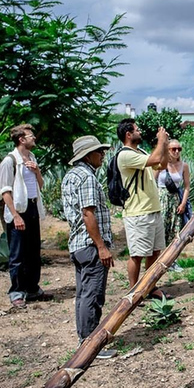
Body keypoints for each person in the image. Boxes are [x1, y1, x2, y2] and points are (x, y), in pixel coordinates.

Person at [61, 135, 117, 359]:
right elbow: (88, 213)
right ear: (87, 155)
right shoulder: (86, 178)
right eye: (99, 152)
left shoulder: (72, 176)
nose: (102, 155)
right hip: (89, 244)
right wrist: (101, 247)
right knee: (92, 295)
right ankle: (90, 345)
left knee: (84, 294)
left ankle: (84, 339)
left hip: (78, 244)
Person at [0, 124, 51, 309]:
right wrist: (15, 215)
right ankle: (17, 292)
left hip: (33, 207)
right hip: (19, 210)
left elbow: (40, 185)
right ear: (21, 139)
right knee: (17, 254)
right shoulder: (9, 162)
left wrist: (37, 171)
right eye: (30, 136)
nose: (34, 138)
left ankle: (32, 288)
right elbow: (5, 191)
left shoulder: (31, 158)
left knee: (33, 251)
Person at [116, 119, 169, 287]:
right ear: (128, 134)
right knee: (137, 255)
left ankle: (148, 286)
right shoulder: (125, 155)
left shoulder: (140, 152)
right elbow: (154, 160)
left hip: (152, 210)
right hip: (138, 213)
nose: (140, 132)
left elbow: (162, 164)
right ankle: (133, 291)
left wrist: (165, 145)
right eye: (136, 129)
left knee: (154, 252)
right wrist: (160, 140)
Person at [155, 139, 191, 270]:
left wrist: (183, 203)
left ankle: (172, 261)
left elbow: (187, 186)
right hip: (162, 199)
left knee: (174, 231)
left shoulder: (184, 166)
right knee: (161, 230)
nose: (176, 151)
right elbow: (152, 181)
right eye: (173, 149)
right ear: (167, 150)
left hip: (175, 199)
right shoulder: (161, 164)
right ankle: (158, 260)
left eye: (179, 149)